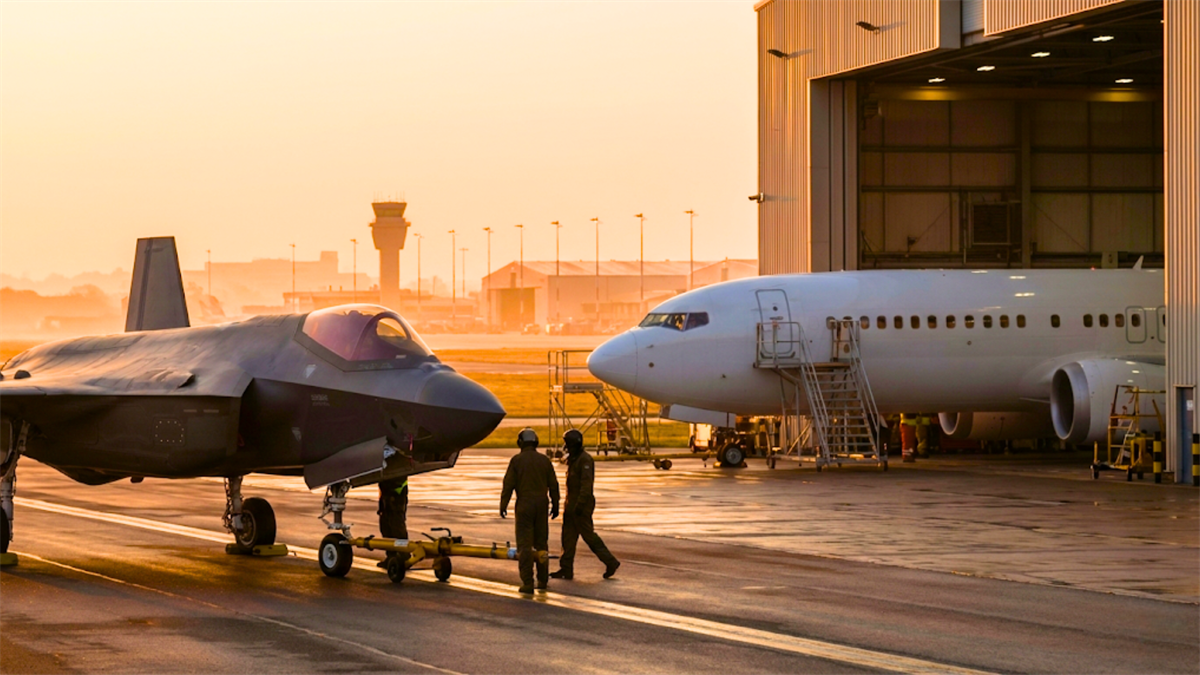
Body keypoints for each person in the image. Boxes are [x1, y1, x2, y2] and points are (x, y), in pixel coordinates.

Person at [551, 429, 620, 581]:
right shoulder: (574, 459)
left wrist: (580, 505)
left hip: (581, 506)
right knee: (567, 537)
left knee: (589, 536)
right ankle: (566, 568)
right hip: (571, 504)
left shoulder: (585, 460)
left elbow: (586, 486)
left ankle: (610, 562)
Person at [500, 428, 559, 594]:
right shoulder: (544, 461)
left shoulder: (517, 461)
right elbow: (553, 485)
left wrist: (503, 504)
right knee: (541, 543)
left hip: (525, 504)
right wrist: (555, 505)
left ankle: (528, 582)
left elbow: (508, 484)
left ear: (520, 443)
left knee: (525, 545)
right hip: (542, 504)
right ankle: (542, 580)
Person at [376, 476, 408, 568]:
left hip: (397, 490)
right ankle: (391, 556)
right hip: (387, 489)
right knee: (385, 525)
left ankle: (403, 555)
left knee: (396, 525)